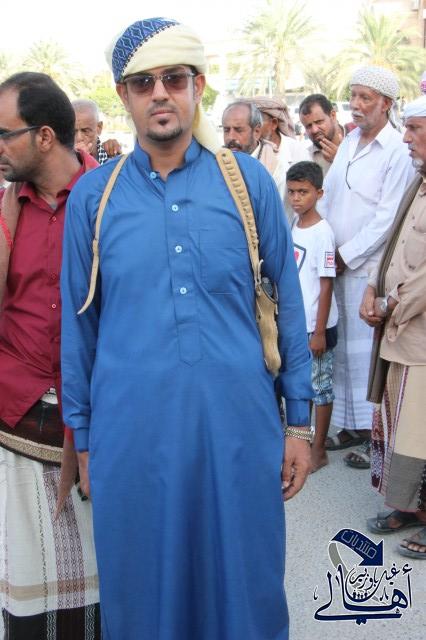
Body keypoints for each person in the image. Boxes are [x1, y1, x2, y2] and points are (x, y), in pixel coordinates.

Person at [60, 16, 313, 639]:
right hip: (131, 436)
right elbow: (79, 328)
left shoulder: (246, 183)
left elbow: (287, 303)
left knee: (245, 586)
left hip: (238, 429)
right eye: (143, 83)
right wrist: (85, 440)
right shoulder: (94, 197)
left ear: (198, 85)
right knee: (143, 589)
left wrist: (299, 422)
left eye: (174, 78)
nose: (160, 94)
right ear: (123, 95)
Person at [0, 73, 100, 638]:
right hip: (15, 412)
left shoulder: (112, 200)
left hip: (97, 420)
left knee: (103, 583)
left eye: (4, 134)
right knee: (25, 589)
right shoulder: (4, 210)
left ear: (43, 136)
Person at [319, 65, 415, 468]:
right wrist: (325, 248)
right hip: (338, 263)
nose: (356, 105)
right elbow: (330, 197)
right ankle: (351, 427)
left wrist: (347, 255)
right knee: (343, 352)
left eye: (365, 98)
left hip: (368, 268)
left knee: (368, 358)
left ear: (386, 104)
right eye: (353, 96)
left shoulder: (397, 149)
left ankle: (375, 438)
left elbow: (387, 217)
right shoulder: (349, 141)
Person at [360, 95, 426, 559]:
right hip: (398, 331)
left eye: (415, 129)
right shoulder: (418, 184)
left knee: (421, 430)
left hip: (416, 333)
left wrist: (389, 305)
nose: (406, 138)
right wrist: (371, 287)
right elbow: (393, 245)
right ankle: (408, 506)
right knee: (402, 426)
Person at [288, 161, 338, 472]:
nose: (296, 198)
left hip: (317, 326)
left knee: (320, 388)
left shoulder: (323, 233)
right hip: (297, 324)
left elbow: (326, 283)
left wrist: (319, 332)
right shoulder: (295, 225)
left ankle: (319, 449)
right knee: (301, 386)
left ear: (318, 193)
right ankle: (302, 444)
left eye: (303, 192)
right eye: (292, 192)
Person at [248, 96, 310, 197]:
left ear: (274, 123)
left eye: (257, 122)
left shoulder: (297, 151)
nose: (254, 128)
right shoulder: (247, 152)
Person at [299, 94, 344, 176]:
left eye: (319, 122)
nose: (314, 130)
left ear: (333, 116)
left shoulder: (358, 142)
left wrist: (340, 160)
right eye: (308, 126)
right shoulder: (306, 158)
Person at [73, 98, 121, 164]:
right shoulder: (65, 159)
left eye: (85, 131)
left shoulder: (112, 156)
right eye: (73, 132)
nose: (79, 138)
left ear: (99, 127)